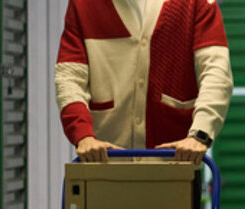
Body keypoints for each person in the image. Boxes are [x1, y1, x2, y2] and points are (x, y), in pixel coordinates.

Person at [55, 0, 233, 163]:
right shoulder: (83, 5)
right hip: (103, 164)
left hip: (174, 164)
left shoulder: (196, 3)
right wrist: (83, 136)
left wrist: (199, 135)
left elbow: (216, 72)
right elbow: (69, 77)